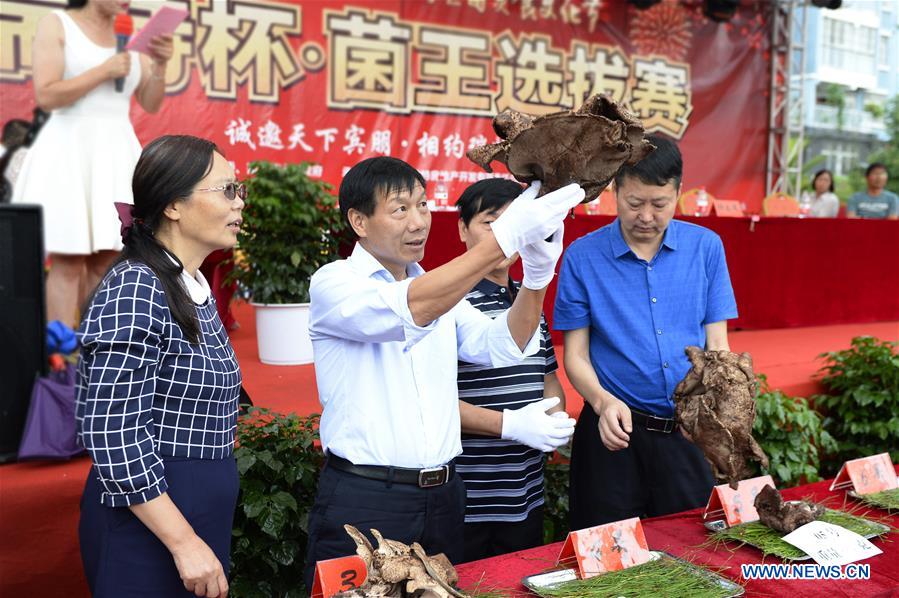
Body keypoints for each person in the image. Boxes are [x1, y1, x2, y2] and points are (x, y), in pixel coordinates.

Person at [303, 156, 583, 587]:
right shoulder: (335, 282)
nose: (418, 222)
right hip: (370, 496)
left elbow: (503, 345)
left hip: (446, 496)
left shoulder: (436, 286)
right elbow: (412, 308)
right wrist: (503, 239)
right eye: (400, 209)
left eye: (423, 205)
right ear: (358, 220)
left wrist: (537, 275)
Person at [76, 135, 246, 597]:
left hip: (191, 511)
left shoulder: (187, 284)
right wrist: (183, 541)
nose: (239, 204)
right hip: (151, 518)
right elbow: (112, 431)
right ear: (174, 204)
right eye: (226, 190)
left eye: (240, 190)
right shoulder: (136, 287)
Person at [554, 135, 738, 530]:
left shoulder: (706, 248)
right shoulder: (582, 257)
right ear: (614, 190)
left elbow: (717, 345)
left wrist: (712, 410)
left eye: (660, 204)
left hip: (685, 433)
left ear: (678, 193)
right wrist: (602, 403)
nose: (647, 217)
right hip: (613, 432)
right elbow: (576, 355)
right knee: (606, 550)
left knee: (693, 545)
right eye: (634, 203)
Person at [12, 0, 174, 328]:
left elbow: (150, 102)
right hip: (69, 149)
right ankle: (59, 362)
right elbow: (47, 95)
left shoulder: (131, 36)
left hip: (115, 152)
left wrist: (160, 65)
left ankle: (96, 352)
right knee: (68, 262)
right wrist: (104, 70)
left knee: (108, 261)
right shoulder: (57, 24)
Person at [454, 178, 572, 562]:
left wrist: (556, 419)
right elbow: (428, 401)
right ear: (462, 229)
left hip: (525, 489)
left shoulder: (529, 295)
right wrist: (510, 422)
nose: (506, 235)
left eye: (515, 222)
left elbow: (548, 377)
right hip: (467, 493)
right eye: (491, 223)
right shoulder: (443, 298)